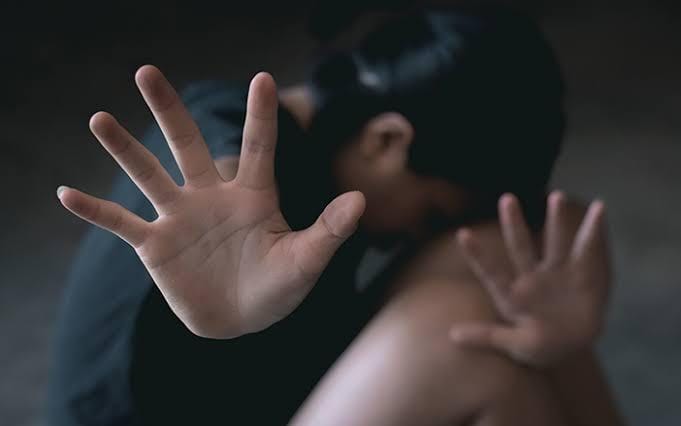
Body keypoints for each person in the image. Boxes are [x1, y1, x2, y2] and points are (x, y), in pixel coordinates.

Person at [47, 7, 591, 425]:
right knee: (465, 341)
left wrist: (559, 342)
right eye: (429, 214)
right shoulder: (228, 134)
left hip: (278, 399)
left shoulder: (337, 157)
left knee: (516, 258)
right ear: (387, 140)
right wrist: (231, 288)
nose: (413, 236)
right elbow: (223, 152)